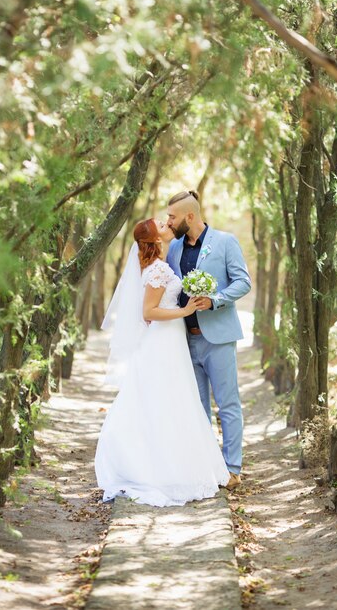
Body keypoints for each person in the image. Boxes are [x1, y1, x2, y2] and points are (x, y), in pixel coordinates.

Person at [94, 218, 230, 507]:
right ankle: (156, 469)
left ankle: (177, 463)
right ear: (155, 239)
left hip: (172, 340)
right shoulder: (157, 269)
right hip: (162, 341)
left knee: (175, 400)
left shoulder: (164, 262)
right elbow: (150, 311)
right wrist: (185, 310)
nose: (165, 222)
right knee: (164, 400)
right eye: (159, 223)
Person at [166, 191, 251, 490]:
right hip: (184, 341)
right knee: (197, 407)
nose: (169, 222)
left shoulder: (225, 242)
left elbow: (243, 281)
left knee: (227, 405)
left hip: (218, 339)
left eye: (172, 217)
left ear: (190, 216)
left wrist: (215, 300)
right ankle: (206, 467)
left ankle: (232, 468)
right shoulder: (173, 249)